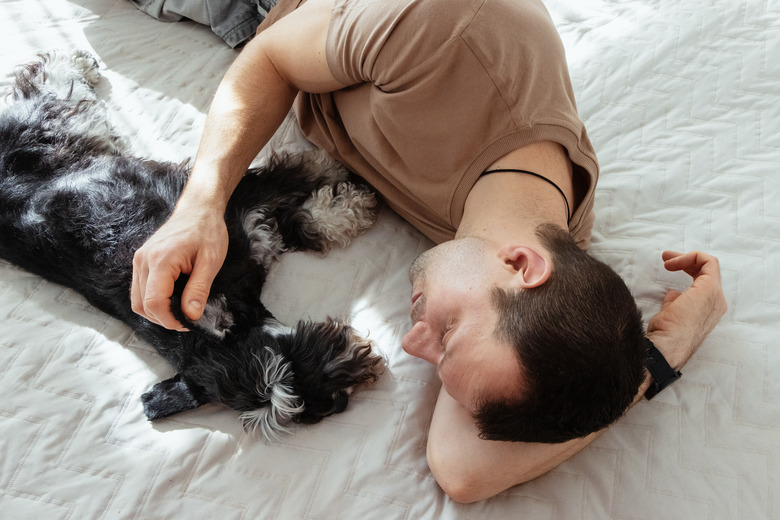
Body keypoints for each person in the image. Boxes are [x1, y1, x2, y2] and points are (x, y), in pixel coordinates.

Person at [130, 0, 727, 503]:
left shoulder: (548, 264)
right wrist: (201, 205)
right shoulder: (453, 30)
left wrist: (659, 355)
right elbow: (272, 57)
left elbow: (463, 472)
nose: (414, 343)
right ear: (521, 265)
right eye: (449, 334)